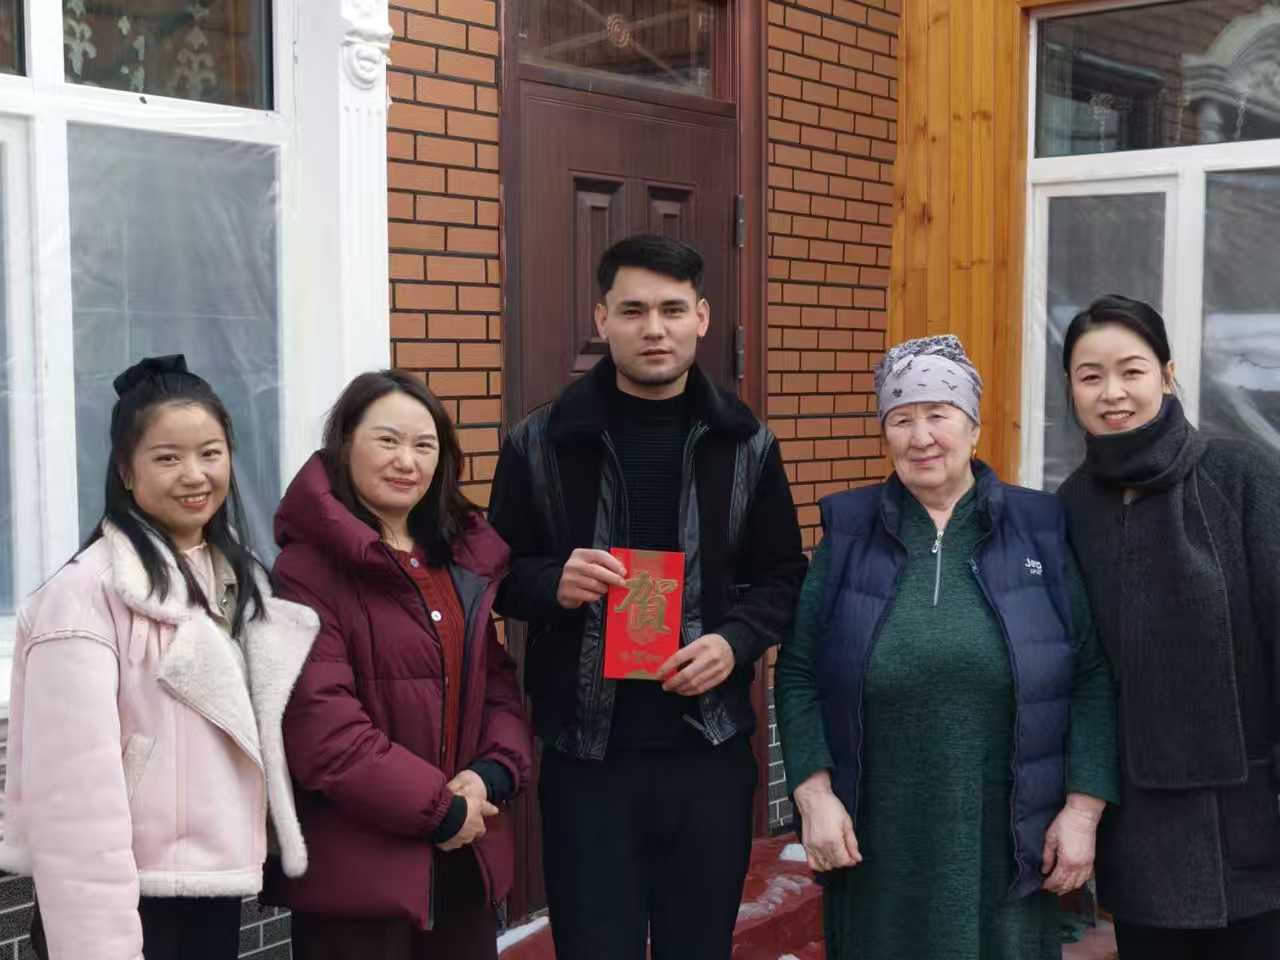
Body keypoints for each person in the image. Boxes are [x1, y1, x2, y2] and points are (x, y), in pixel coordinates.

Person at [488, 234, 807, 959]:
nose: (653, 329)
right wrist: (553, 583)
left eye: (671, 309)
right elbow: (496, 574)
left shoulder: (746, 443)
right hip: (587, 757)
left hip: (707, 750)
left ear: (702, 317)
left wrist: (734, 642)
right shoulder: (541, 442)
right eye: (633, 311)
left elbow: (785, 577)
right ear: (601, 319)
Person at [775, 334, 1119, 960]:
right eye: (901, 419)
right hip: (875, 836)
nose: (921, 436)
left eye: (938, 414)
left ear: (974, 428)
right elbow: (798, 671)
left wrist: (1083, 809)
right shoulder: (849, 532)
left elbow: (1091, 675)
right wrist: (813, 794)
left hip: (1008, 835)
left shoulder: (1038, 528)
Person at [0, 355, 317, 960]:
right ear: (125, 471)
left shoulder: (239, 578)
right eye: (167, 458)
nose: (195, 475)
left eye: (211, 453)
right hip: (128, 898)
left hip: (211, 887)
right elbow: (74, 808)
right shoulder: (84, 597)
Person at [262, 370, 532, 959]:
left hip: (461, 866)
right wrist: (441, 810)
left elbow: (495, 687)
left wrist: (490, 774)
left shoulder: (457, 559)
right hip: (357, 884)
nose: (406, 461)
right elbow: (323, 731)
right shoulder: (307, 571)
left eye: (424, 445)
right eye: (387, 441)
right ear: (345, 444)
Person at [1057, 295, 1280, 958]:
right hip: (1140, 830)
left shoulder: (1239, 476)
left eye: (1131, 370)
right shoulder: (1071, 507)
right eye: (1091, 376)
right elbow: (1080, 672)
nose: (1112, 392)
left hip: (1254, 821)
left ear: (1167, 374)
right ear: (1071, 388)